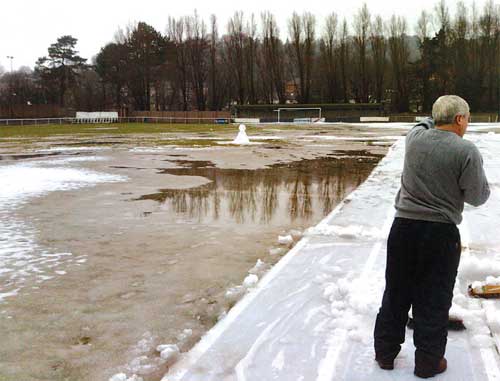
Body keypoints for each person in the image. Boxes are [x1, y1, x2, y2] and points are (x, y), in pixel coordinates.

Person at [373, 95, 490, 378]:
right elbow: (478, 196)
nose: (468, 123)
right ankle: (427, 362)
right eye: (468, 117)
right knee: (433, 299)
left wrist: (435, 118)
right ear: (460, 119)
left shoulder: (414, 138)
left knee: (396, 292)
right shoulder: (466, 151)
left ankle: (385, 354)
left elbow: (424, 123)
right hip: (440, 234)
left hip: (402, 229)